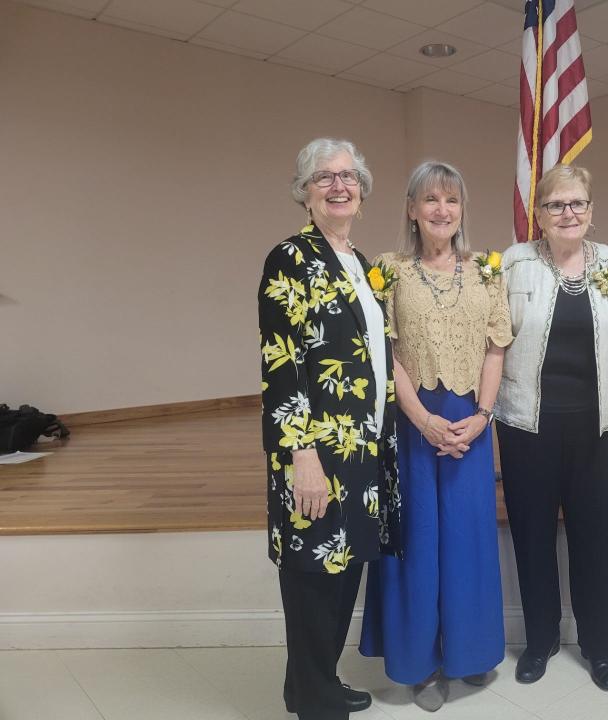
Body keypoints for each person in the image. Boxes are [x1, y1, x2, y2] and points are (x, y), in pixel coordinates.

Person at [258, 137, 401, 720]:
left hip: (363, 450)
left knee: (346, 570)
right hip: (317, 452)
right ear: (306, 193)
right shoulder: (289, 259)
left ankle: (313, 683)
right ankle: (316, 704)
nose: (339, 185)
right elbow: (280, 363)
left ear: (361, 193)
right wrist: (302, 456)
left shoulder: (364, 265)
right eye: (325, 177)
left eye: (349, 177)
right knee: (313, 577)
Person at [360, 161, 511, 711]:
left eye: (451, 200)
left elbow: (497, 347)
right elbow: (388, 354)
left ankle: (470, 654)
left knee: (469, 542)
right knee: (417, 543)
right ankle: (417, 665)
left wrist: (484, 415)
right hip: (412, 424)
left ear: (462, 209)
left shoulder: (487, 271)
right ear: (411, 209)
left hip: (471, 423)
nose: (442, 210)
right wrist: (423, 420)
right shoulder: (389, 270)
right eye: (430, 200)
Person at [495, 164, 608, 691]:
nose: (567, 213)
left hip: (593, 431)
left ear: (592, 211)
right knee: (532, 538)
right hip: (526, 426)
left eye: (576, 203)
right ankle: (540, 640)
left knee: (592, 539)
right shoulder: (513, 264)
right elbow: (494, 341)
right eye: (556, 205)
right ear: (540, 214)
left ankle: (597, 646)